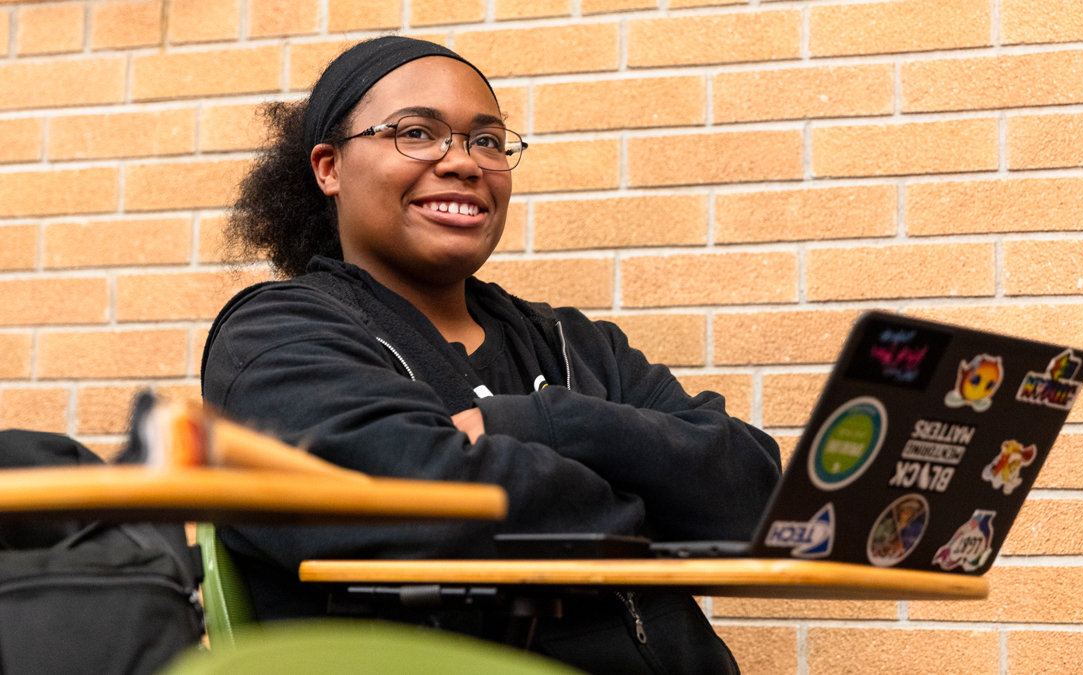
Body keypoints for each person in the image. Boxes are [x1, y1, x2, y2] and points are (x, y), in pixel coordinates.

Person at [201, 36, 782, 675]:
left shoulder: (575, 344)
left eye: (486, 140)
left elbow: (757, 497)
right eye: (416, 133)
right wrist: (664, 502)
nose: (464, 162)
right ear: (329, 168)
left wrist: (546, 425)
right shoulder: (277, 337)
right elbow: (424, 509)